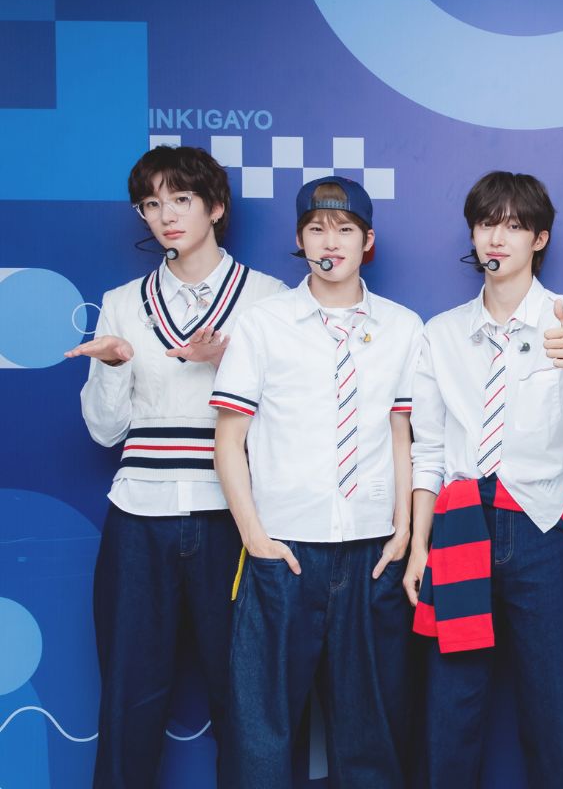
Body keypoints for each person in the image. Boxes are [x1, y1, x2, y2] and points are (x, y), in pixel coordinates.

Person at [67, 145, 286, 788]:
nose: (166, 215)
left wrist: (229, 367)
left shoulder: (268, 300)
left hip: (233, 517)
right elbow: (104, 431)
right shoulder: (122, 302)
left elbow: (293, 425)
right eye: (151, 203)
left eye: (182, 199)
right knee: (129, 697)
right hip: (140, 517)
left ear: (215, 207)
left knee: (245, 700)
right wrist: (114, 367)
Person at [405, 170, 563, 789]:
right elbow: (429, 449)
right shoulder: (441, 333)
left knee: (553, 707)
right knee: (452, 707)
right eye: (485, 224)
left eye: (514, 226)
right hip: (460, 524)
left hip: (542, 526)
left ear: (539, 239)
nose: (496, 238)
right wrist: (418, 546)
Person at [211, 176, 423, 788]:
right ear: (300, 239)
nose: (331, 242)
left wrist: (403, 530)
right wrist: (255, 538)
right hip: (284, 550)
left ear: (367, 241)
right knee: (261, 732)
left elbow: (402, 435)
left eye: (345, 229)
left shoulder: (403, 327)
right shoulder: (264, 323)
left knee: (372, 734)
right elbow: (228, 441)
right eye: (316, 229)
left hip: (372, 551)